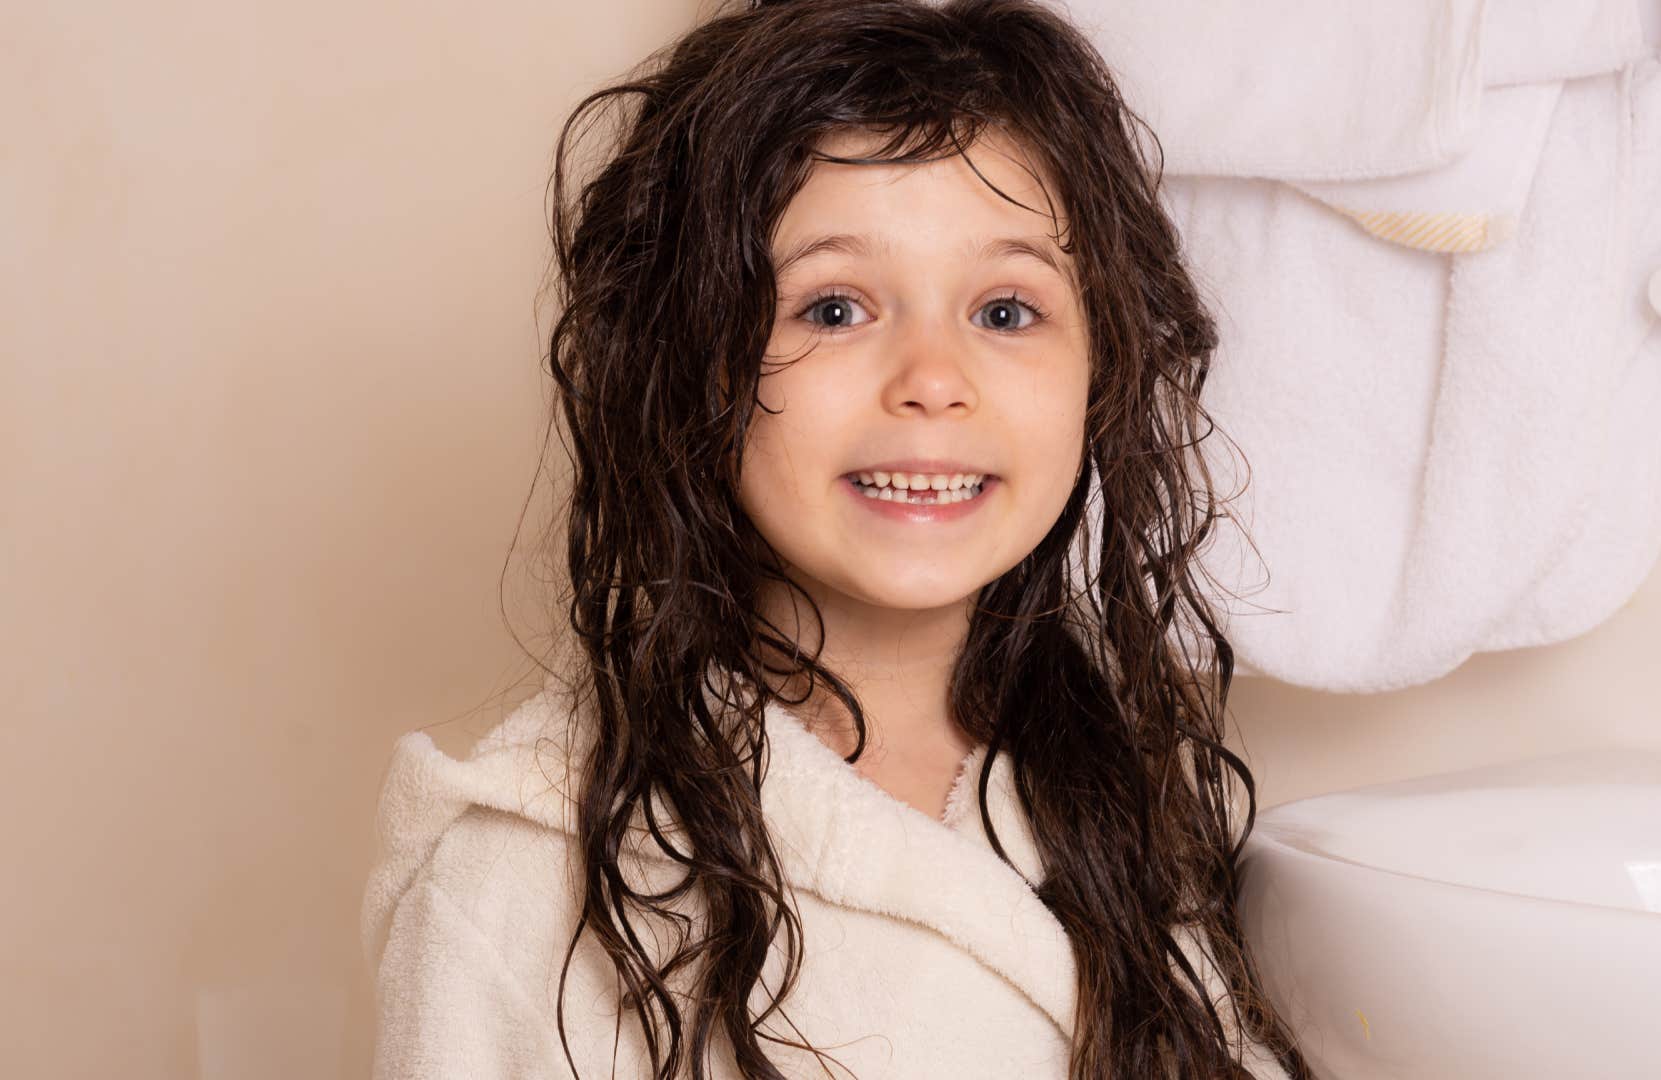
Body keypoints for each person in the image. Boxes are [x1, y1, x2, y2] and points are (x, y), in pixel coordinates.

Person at [360, 0, 1310, 1076]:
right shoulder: (518, 883)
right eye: (834, 310)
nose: (935, 383)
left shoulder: (1119, 782)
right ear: (692, 361)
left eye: (1005, 311)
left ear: (1100, 368)